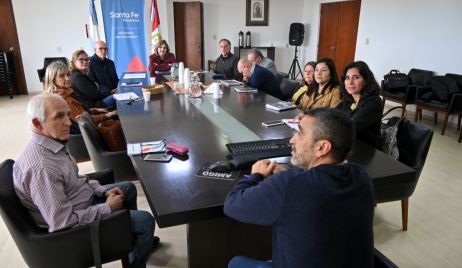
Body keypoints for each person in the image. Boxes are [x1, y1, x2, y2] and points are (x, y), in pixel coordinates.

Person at [13, 93, 159, 268]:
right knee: (146, 221)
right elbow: (62, 223)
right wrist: (107, 207)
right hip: (73, 231)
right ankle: (135, 257)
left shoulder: (52, 143)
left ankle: (129, 238)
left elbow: (76, 179)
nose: (68, 122)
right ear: (37, 123)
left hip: (78, 202)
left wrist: (102, 191)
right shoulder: (41, 167)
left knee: (128, 188)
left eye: (67, 114)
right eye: (59, 117)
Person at [224, 108, 374, 268]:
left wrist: (257, 175)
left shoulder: (289, 185)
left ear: (322, 147)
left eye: (300, 133)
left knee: (236, 263)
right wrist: (291, 175)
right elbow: (317, 184)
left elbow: (232, 204)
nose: (292, 140)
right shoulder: (362, 177)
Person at [43, 61, 117, 134]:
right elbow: (84, 120)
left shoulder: (62, 93)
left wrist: (94, 110)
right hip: (85, 134)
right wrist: (107, 115)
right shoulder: (64, 98)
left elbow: (79, 111)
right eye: (61, 76)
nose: (67, 78)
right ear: (53, 79)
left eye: (68, 74)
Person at [337, 61, 384, 150]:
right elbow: (330, 114)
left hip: (367, 152)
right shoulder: (349, 100)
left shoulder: (374, 102)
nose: (350, 82)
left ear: (366, 80)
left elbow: (351, 127)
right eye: (347, 78)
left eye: (356, 78)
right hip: (349, 144)